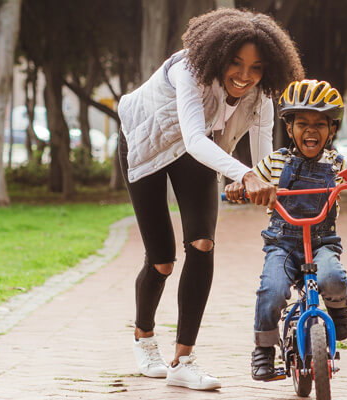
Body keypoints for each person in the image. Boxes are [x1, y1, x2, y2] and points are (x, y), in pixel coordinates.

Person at [115, 8, 302, 390]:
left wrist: (264, 181)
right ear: (217, 56)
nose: (244, 76)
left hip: (195, 150)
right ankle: (143, 336)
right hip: (146, 142)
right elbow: (196, 138)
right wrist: (243, 174)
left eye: (256, 68)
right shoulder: (189, 71)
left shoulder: (261, 97)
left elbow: (262, 154)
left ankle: (183, 360)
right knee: (163, 260)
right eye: (236, 63)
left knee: (202, 243)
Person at [223, 79, 347, 381]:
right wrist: (239, 186)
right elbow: (251, 181)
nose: (311, 130)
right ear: (289, 126)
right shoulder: (277, 161)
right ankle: (264, 349)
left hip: (322, 242)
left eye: (320, 124)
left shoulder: (336, 163)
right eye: (303, 123)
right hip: (283, 243)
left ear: (332, 129)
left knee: (333, 278)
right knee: (272, 291)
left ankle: (337, 309)